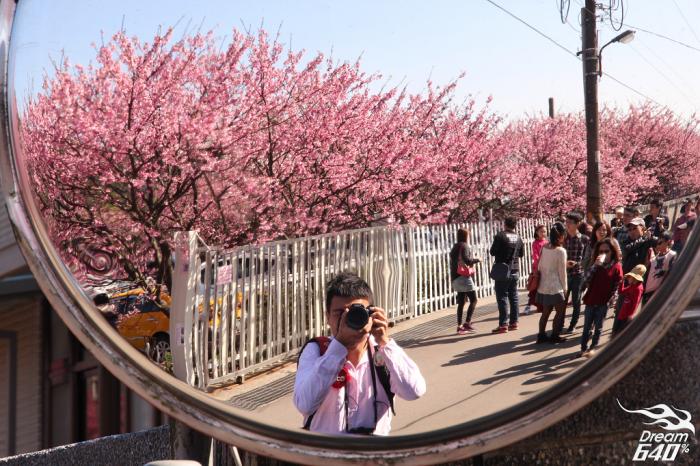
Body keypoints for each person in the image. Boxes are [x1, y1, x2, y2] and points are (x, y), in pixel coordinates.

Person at [294, 272, 426, 435]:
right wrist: (338, 347)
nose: (346, 320)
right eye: (339, 313)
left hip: (374, 450)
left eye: (355, 313)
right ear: (327, 317)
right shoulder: (317, 350)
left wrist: (384, 341)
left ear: (372, 314)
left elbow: (414, 391)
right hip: (328, 449)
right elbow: (304, 404)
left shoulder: (384, 352)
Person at [578, 239, 622, 358]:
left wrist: (613, 298)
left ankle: (592, 348)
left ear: (612, 252)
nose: (603, 254)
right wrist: (595, 266)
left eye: (606, 251)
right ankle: (583, 349)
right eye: (600, 251)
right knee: (586, 327)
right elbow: (585, 280)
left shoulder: (617, 266)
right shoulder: (596, 265)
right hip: (591, 300)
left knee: (598, 328)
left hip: (603, 302)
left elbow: (617, 285)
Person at [489, 217, 525, 333]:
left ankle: (503, 324)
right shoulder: (518, 238)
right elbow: (521, 254)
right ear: (515, 225)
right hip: (515, 270)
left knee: (502, 297)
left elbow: (492, 252)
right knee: (514, 297)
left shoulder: (500, 236)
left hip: (503, 271)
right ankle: (514, 323)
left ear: (505, 224)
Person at [535, 223, 568, 344]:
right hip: (556, 286)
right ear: (561, 236)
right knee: (560, 312)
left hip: (543, 285)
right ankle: (554, 335)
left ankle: (541, 335)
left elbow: (539, 265)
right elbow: (562, 272)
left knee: (546, 312)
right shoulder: (561, 251)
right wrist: (565, 288)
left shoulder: (544, 247)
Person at [562, 212, 590, 334]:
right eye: (566, 222)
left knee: (576, 301)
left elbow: (587, 258)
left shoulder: (585, 239)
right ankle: (560, 323)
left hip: (578, 274)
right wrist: (564, 263)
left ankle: (573, 324)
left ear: (577, 224)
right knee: (562, 301)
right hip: (564, 273)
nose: (567, 224)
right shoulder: (563, 238)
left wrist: (577, 264)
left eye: (570, 222)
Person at [449, 228, 480, 334]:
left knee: (461, 302)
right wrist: (477, 259)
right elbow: (467, 260)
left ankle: (459, 326)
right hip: (463, 277)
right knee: (474, 300)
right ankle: (467, 323)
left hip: (455, 277)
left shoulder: (455, 247)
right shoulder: (464, 246)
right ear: (466, 236)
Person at [642, 232, 677, 305]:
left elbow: (670, 275)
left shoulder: (672, 255)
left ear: (668, 242)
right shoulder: (653, 258)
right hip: (647, 292)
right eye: (657, 243)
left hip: (659, 292)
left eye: (660, 242)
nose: (657, 245)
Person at [611, 265, 646, 337]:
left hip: (626, 317)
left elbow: (636, 303)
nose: (628, 278)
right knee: (615, 333)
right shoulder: (632, 285)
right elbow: (621, 291)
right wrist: (622, 282)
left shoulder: (638, 288)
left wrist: (630, 315)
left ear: (635, 278)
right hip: (622, 313)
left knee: (619, 335)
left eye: (630, 277)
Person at [523, 224, 547, 316]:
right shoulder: (535, 243)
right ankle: (528, 306)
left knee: (544, 288)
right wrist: (539, 266)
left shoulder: (547, 242)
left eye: (545, 231)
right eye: (541, 231)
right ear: (537, 232)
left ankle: (543, 306)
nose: (543, 233)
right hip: (538, 268)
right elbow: (535, 256)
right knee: (534, 288)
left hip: (547, 268)